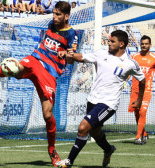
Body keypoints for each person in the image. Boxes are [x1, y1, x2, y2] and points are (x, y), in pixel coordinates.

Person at [0, 1, 77, 166]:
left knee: (48, 115)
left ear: (66, 16)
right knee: (17, 68)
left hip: (49, 72)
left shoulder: (71, 34)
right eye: (54, 14)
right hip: (35, 59)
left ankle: (52, 149)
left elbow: (71, 58)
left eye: (58, 15)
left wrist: (65, 53)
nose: (54, 17)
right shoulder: (50, 24)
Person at [56, 30, 146, 168]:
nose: (108, 43)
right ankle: (108, 149)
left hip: (108, 104)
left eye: (112, 41)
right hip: (93, 99)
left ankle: (69, 161)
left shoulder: (130, 63)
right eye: (109, 41)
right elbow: (81, 57)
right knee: (94, 131)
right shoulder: (101, 54)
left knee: (83, 128)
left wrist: (139, 99)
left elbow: (142, 80)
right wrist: (68, 54)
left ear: (121, 44)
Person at [128, 35, 155, 145]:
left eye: (146, 44)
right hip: (135, 90)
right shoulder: (134, 56)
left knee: (143, 111)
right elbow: (128, 71)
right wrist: (123, 83)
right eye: (142, 44)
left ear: (150, 45)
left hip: (146, 90)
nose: (144, 45)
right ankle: (144, 133)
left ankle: (138, 138)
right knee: (136, 113)